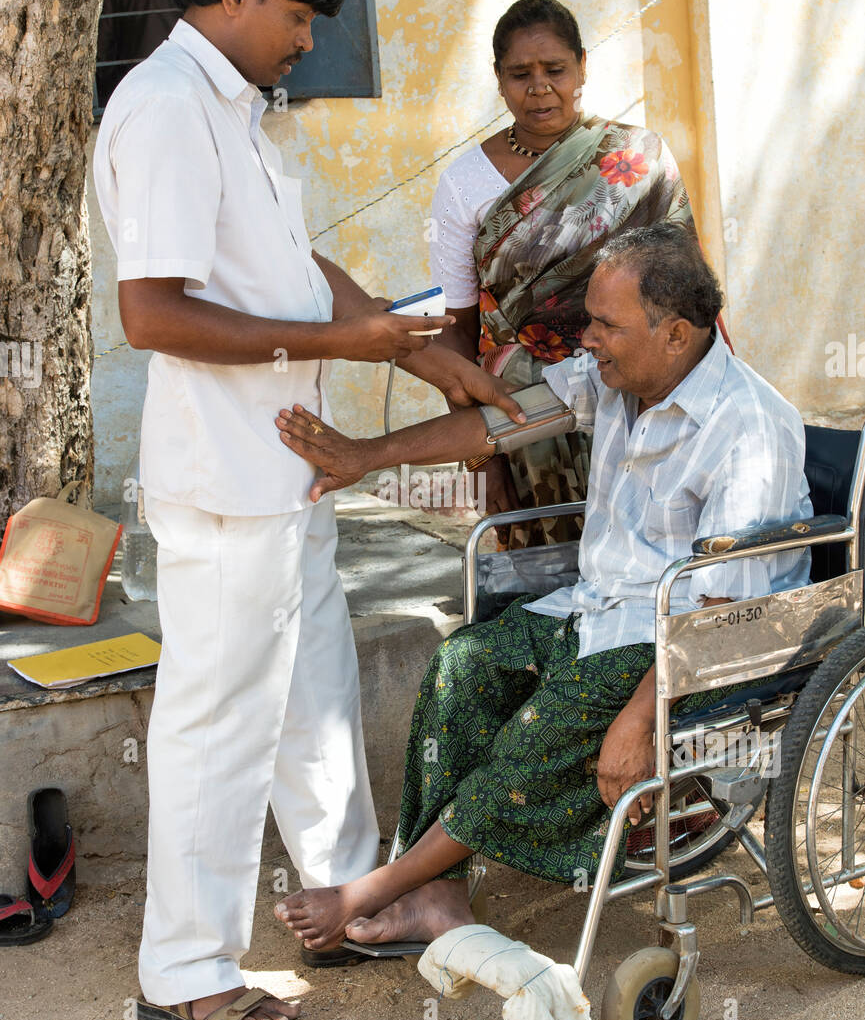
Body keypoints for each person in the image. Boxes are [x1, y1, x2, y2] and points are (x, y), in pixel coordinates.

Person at [93, 0, 523, 1020]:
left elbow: (295, 264)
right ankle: (184, 967)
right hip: (228, 485)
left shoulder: (237, 109)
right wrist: (342, 346)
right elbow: (152, 313)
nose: (307, 41)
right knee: (218, 721)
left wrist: (425, 353)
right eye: (295, 15)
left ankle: (358, 900)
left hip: (288, 474)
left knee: (315, 701)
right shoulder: (167, 111)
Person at [271, 224, 811, 952]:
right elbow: (498, 425)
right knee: (463, 667)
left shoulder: (748, 429)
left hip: (688, 641)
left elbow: (722, 615)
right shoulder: (619, 380)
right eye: (588, 318)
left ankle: (379, 886)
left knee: (536, 738)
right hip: (599, 611)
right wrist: (367, 456)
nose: (585, 338)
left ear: (676, 334)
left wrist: (636, 721)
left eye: (603, 324)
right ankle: (436, 895)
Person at [430, 0, 703, 548]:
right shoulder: (465, 183)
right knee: (547, 570)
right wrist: (482, 455)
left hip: (639, 394)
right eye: (519, 74)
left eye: (555, 70)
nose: (539, 88)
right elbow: (455, 328)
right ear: (499, 79)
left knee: (654, 553)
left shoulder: (637, 158)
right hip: (522, 407)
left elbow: (690, 296)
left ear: (582, 66)